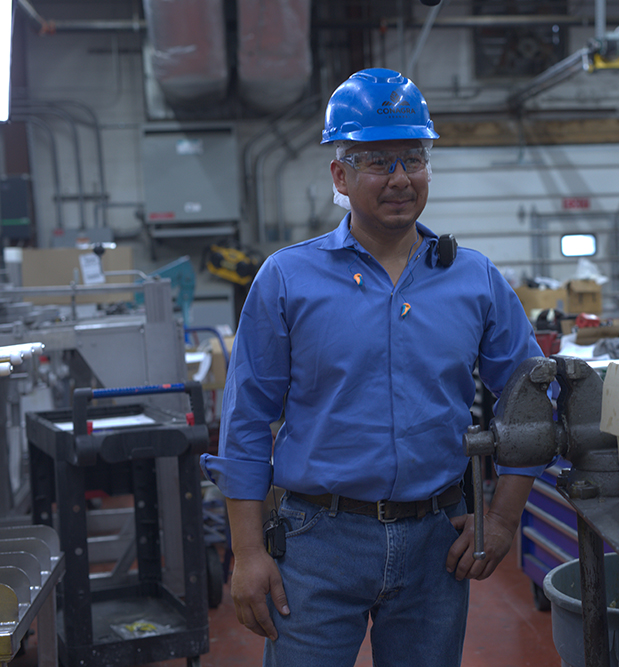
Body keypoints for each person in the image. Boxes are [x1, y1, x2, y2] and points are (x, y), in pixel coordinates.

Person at [200, 67, 546, 666]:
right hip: (315, 544)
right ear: (341, 173)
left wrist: (503, 516)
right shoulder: (287, 279)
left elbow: (531, 397)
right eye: (378, 162)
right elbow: (247, 420)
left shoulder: (475, 280)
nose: (400, 179)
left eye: (413, 159)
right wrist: (249, 551)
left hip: (436, 543)